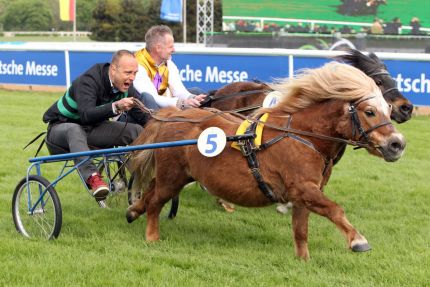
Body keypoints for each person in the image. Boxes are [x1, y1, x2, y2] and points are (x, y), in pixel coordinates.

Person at [43, 50, 155, 201]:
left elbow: (143, 116)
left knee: (136, 130)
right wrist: (116, 106)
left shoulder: (128, 87)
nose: (132, 78)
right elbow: (86, 115)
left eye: (135, 73)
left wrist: (158, 129)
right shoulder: (89, 80)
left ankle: (148, 176)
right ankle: (93, 178)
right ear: (113, 69)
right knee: (75, 129)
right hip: (60, 130)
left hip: (92, 130)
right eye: (128, 72)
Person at [121, 25, 207, 123]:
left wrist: (192, 98)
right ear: (158, 48)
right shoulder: (137, 65)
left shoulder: (168, 63)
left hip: (159, 104)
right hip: (139, 112)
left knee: (196, 92)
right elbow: (154, 98)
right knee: (147, 97)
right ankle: (161, 131)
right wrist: (182, 104)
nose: (174, 50)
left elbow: (178, 90)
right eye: (170, 47)